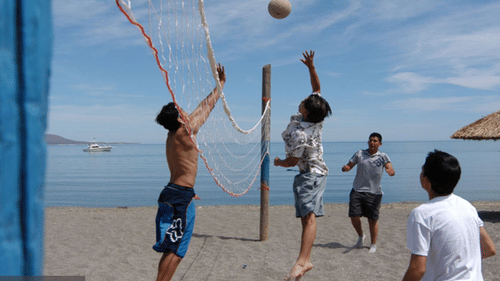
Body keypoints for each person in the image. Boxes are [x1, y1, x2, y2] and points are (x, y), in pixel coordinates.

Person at [153, 63, 225, 281]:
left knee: (170, 247)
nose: (186, 110)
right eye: (182, 110)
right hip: (179, 197)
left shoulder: (173, 135)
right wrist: (220, 85)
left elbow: (199, 108)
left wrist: (218, 85)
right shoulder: (185, 132)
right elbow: (207, 107)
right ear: (178, 118)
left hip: (171, 193)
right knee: (176, 250)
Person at [274, 50, 332, 280]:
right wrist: (311, 68)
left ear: (306, 110)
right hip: (312, 174)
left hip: (311, 175)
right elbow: (317, 88)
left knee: (308, 217)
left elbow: (292, 160)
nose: (302, 100)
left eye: (304, 102)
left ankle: (304, 260)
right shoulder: (313, 118)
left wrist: (278, 163)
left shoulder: (301, 133)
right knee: (306, 217)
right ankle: (303, 259)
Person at [402, 150, 496, 281]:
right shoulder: (467, 206)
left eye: (422, 171)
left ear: (427, 180)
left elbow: (417, 269)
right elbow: (489, 248)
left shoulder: (422, 214)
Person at [342, 132, 395, 253]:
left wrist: (390, 171)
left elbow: (390, 168)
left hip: (374, 193)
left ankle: (373, 243)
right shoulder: (360, 153)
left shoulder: (383, 156)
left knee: (372, 219)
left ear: (380, 144)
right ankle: (361, 236)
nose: (372, 142)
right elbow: (349, 165)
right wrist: (346, 168)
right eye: (370, 140)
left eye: (375, 141)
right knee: (353, 216)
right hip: (357, 190)